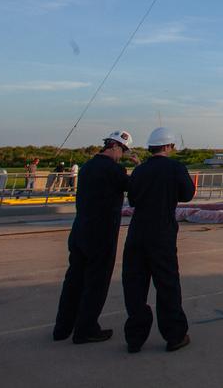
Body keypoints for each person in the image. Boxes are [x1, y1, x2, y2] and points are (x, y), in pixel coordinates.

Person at [54, 130, 134, 344]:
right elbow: (134, 189)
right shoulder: (113, 169)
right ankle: (86, 329)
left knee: (73, 280)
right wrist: (138, 167)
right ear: (115, 146)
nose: (122, 156)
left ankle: (62, 327)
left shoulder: (87, 167)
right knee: (96, 282)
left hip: (80, 231)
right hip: (102, 234)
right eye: (123, 151)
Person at [123, 127, 195, 353]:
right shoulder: (175, 168)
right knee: (167, 284)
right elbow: (187, 194)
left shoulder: (140, 170)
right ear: (168, 146)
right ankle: (174, 335)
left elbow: (133, 199)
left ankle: (135, 338)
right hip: (162, 233)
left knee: (134, 285)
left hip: (136, 233)